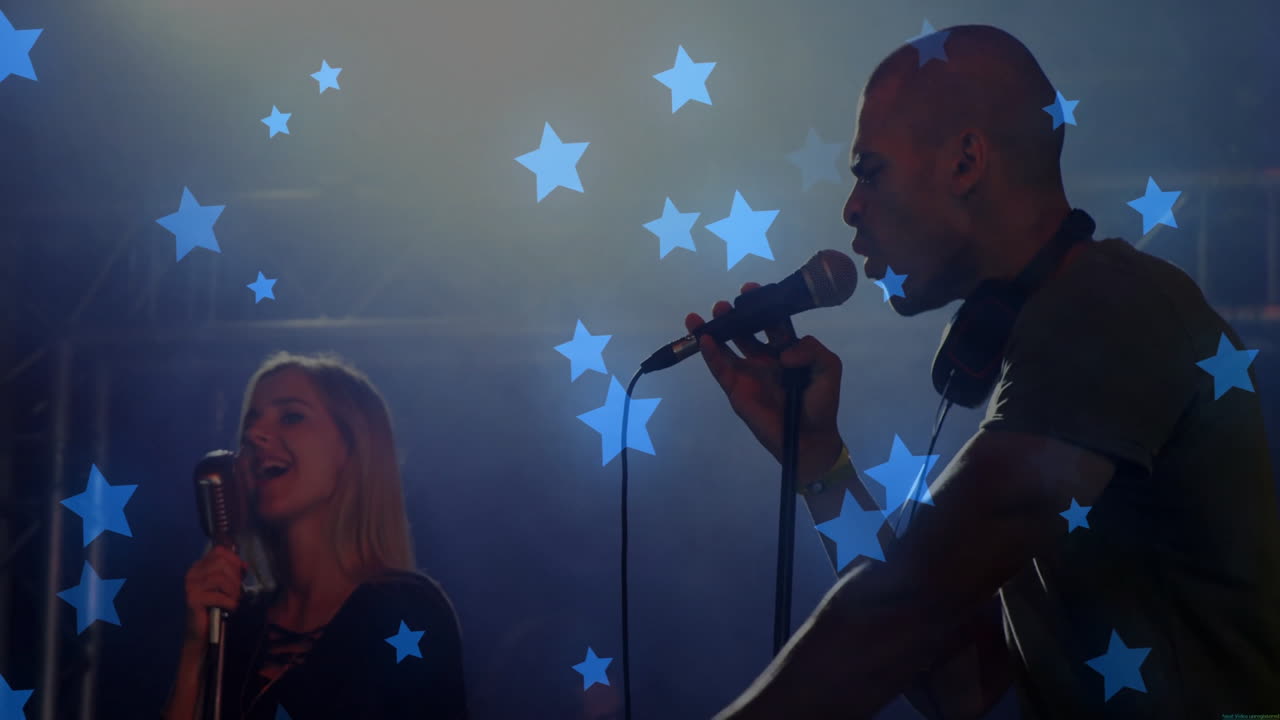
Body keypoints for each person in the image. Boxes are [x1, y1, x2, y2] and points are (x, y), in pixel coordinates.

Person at [688, 24, 1280, 720]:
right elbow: (957, 684)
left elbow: (902, 615)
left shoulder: (1109, 307)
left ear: (966, 161)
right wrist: (822, 462)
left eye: (870, 171)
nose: (851, 207)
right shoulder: (1051, 333)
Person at [161, 351, 468, 719]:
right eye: (251, 424)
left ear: (352, 448)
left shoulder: (404, 611)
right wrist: (196, 647)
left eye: (291, 416)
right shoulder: (236, 621)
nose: (253, 435)